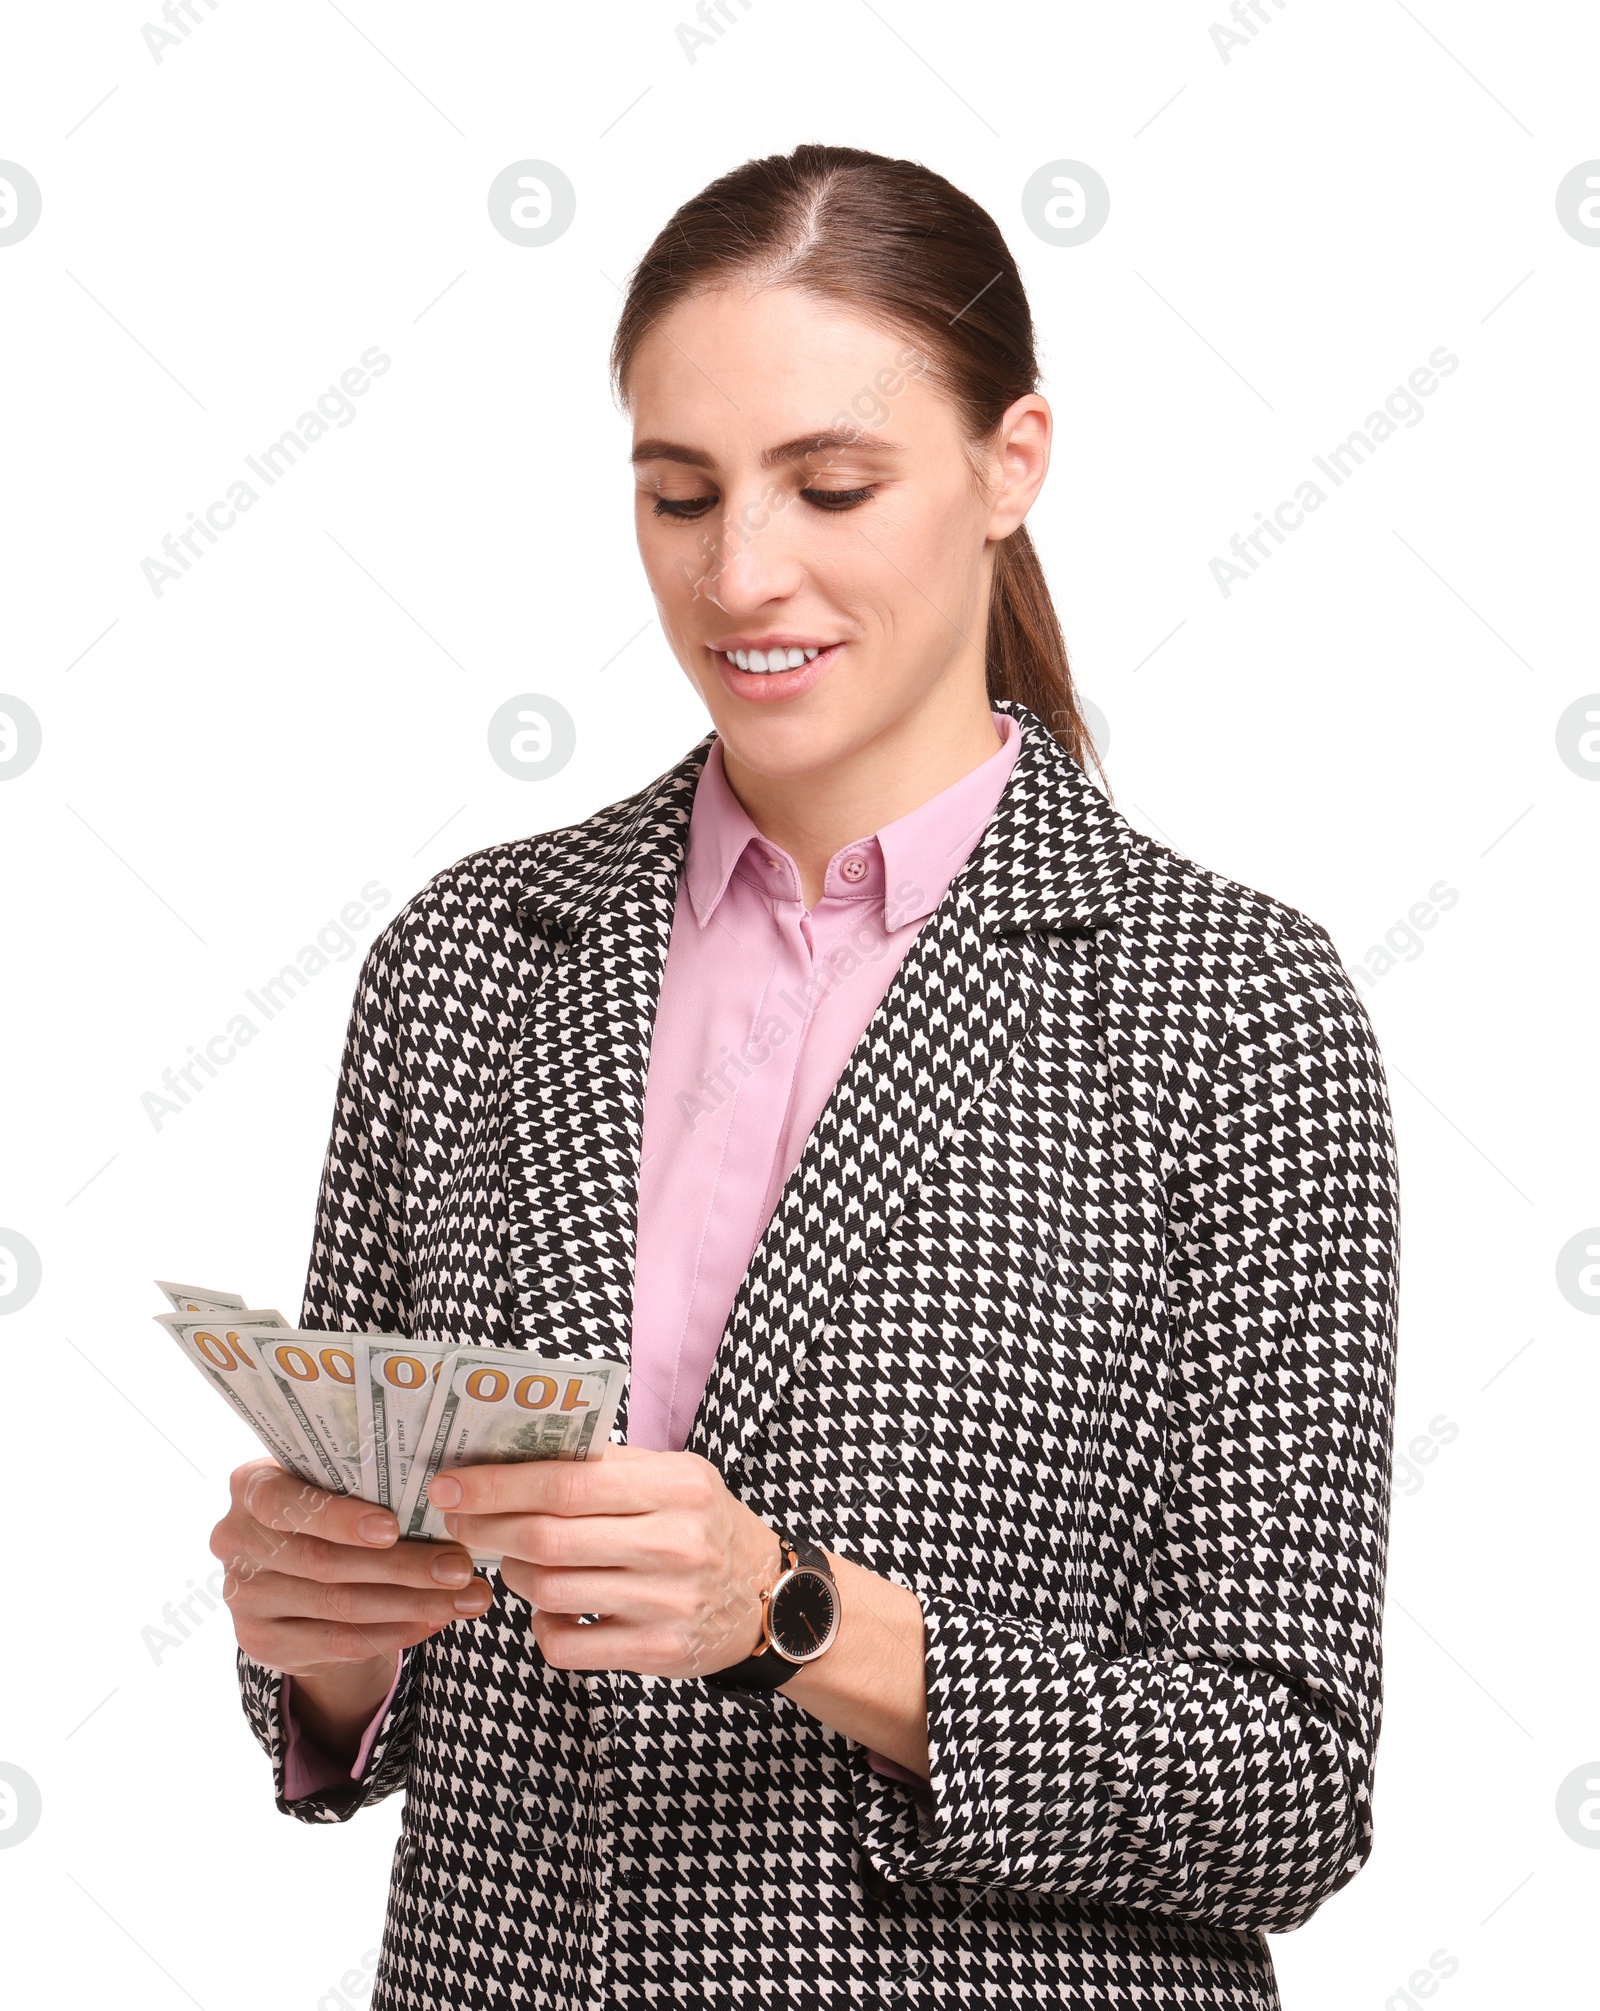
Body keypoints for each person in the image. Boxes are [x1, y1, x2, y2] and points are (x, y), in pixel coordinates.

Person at [210, 144, 1401, 2010]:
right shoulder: (470, 955)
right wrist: (324, 1640)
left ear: (1014, 463)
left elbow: (1287, 1784)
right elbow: (366, 1653)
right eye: (680, 494)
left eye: (830, 485)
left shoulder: (1230, 1005)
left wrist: (794, 1616)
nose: (740, 572)